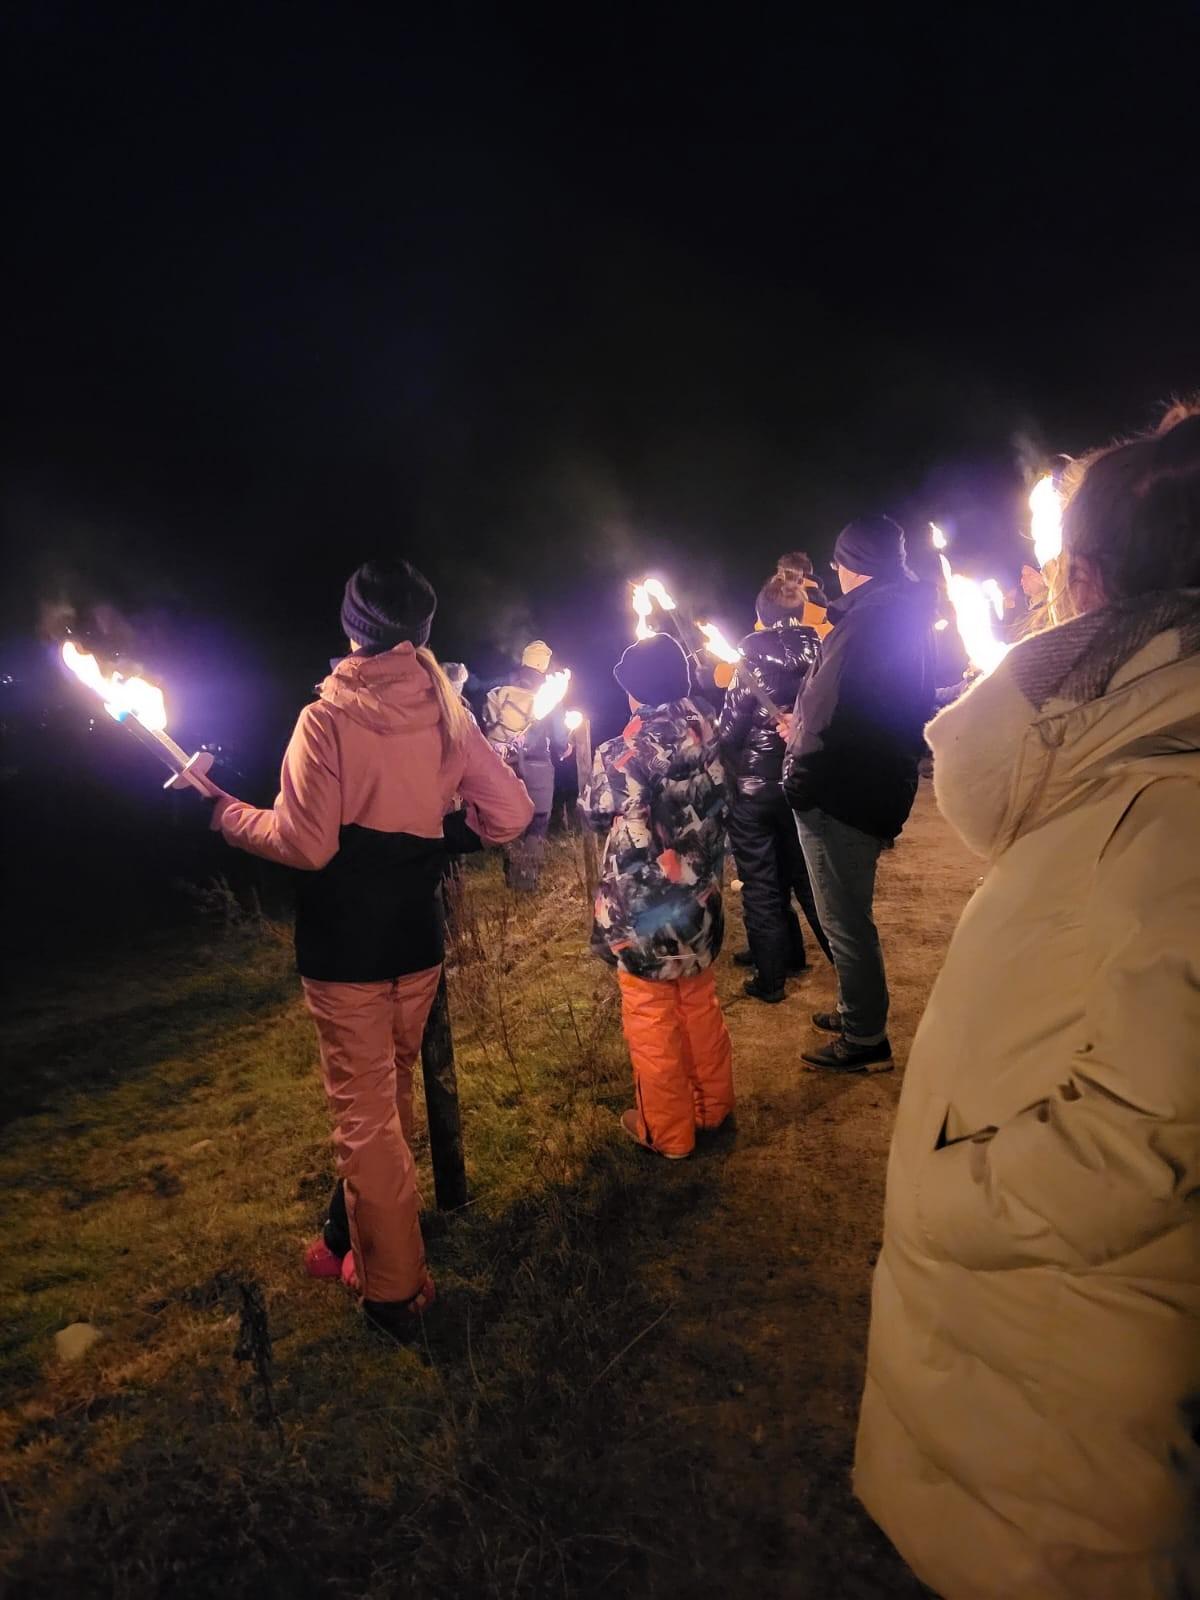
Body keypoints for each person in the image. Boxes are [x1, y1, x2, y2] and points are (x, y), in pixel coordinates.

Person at [855, 404, 1200, 1598]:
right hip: (1031, 1396)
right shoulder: (1135, 775)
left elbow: (1146, 1139)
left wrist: (947, 1195)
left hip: (1063, 1453)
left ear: (1087, 583)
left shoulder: (1177, 811)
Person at [206, 559, 533, 1339]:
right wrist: (447, 833)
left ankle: (392, 1293)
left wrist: (225, 816)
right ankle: (342, 1239)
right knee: (385, 1100)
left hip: (345, 946)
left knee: (365, 1118)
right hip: (413, 945)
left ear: (351, 628)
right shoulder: (447, 710)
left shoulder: (327, 718)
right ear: (421, 631)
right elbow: (512, 813)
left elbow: (307, 843)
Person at [782, 515, 936, 1071]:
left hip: (842, 790)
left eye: (840, 562)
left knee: (844, 918)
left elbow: (832, 712)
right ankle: (855, 1008)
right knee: (847, 912)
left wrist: (801, 776)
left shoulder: (867, 621)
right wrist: (801, 726)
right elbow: (864, 705)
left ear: (856, 565)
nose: (836, 572)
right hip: (872, 780)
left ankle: (866, 1038)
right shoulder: (903, 615)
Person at [584, 632, 734, 1159]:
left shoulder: (626, 750)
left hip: (646, 912)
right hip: (702, 900)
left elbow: (596, 808)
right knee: (697, 1002)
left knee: (651, 1016)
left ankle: (667, 1132)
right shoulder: (710, 726)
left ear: (639, 693)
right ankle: (711, 1107)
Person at [717, 556, 830, 1003]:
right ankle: (826, 959)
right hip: (803, 783)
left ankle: (771, 979)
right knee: (807, 878)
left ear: (762, 615)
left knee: (761, 882)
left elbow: (729, 731)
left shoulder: (749, 659)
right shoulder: (824, 652)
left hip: (755, 791)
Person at [483, 639, 562, 891]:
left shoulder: (500, 690)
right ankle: (527, 882)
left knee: (512, 819)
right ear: (543, 666)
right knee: (538, 820)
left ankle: (511, 879)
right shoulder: (549, 694)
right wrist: (564, 747)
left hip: (503, 764)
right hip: (537, 765)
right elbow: (560, 735)